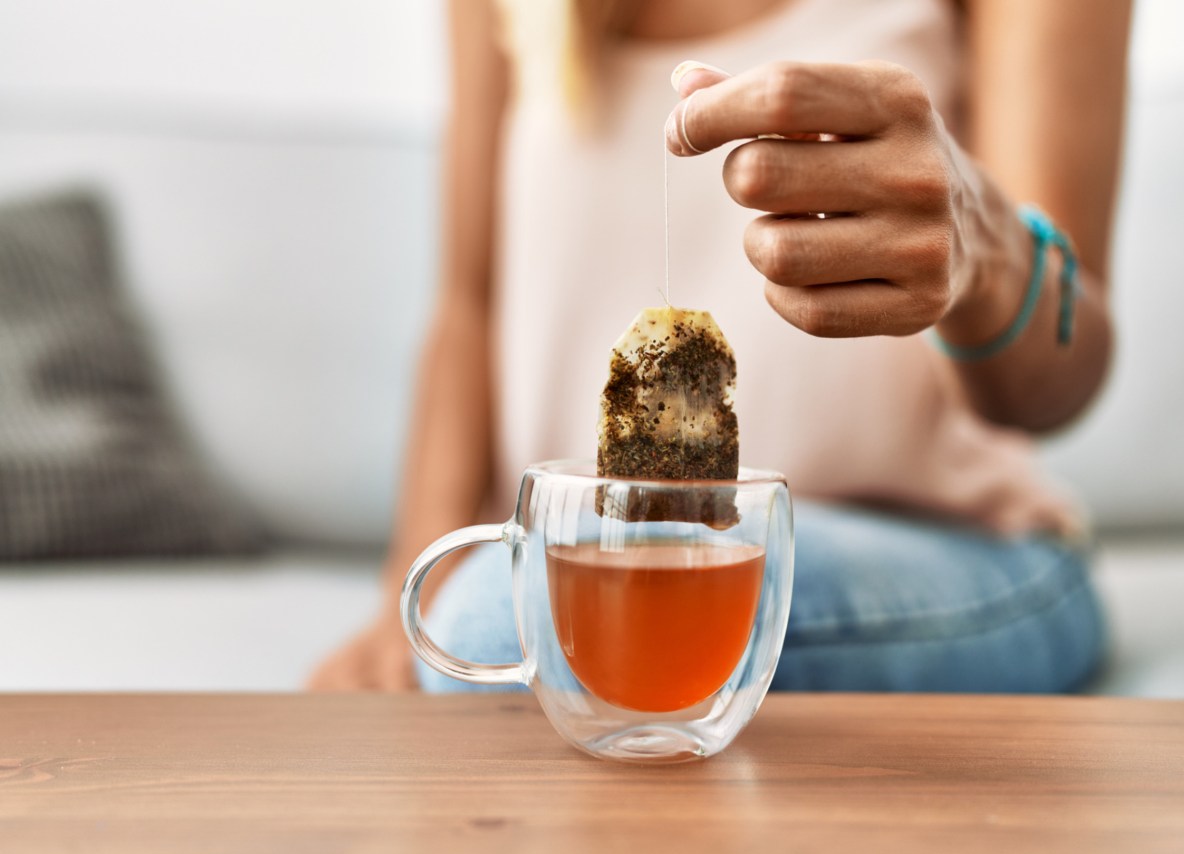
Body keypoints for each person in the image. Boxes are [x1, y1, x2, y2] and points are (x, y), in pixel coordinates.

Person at [310, 0, 1131, 693]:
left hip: (956, 549)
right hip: (588, 551)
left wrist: (983, 249)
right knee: (499, 615)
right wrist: (407, 604)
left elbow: (1062, 382)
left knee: (507, 619)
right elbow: (469, 302)